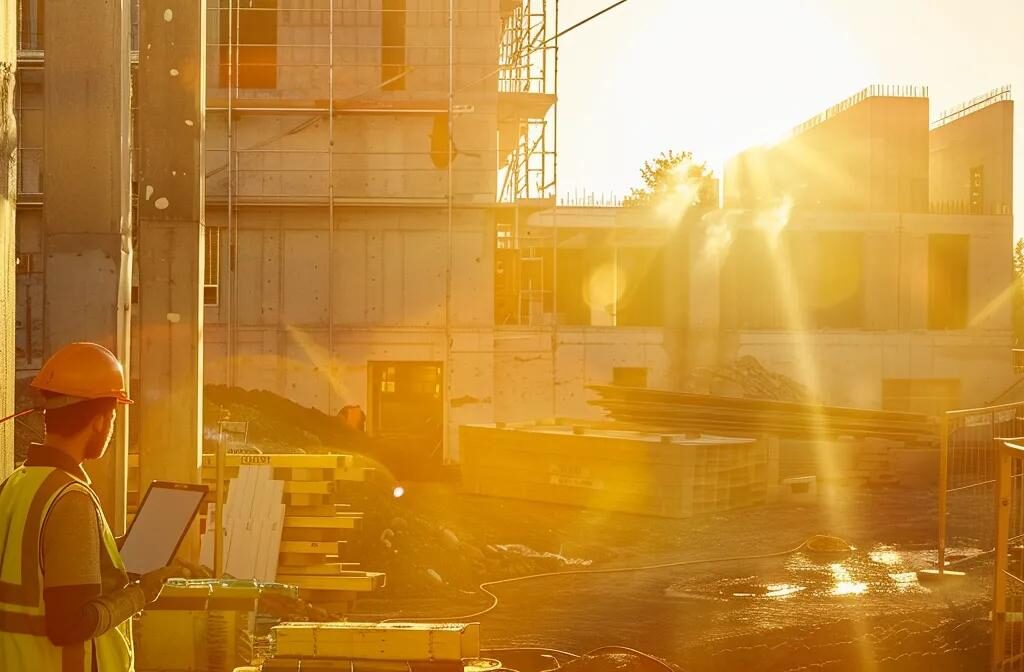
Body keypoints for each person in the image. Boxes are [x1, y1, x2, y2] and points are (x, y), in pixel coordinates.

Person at [0, 342, 179, 672]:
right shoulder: (69, 498)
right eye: (113, 418)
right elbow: (69, 625)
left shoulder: (17, 484)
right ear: (101, 421)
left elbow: (39, 572)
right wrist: (142, 593)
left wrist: (113, 550)